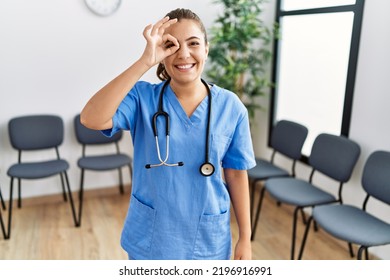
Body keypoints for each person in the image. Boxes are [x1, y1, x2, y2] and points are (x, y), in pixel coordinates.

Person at [80, 8, 256, 260]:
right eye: (171, 45)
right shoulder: (142, 98)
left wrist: (245, 239)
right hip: (153, 238)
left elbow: (237, 174)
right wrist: (144, 62)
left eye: (193, 43)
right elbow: (91, 118)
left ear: (206, 48)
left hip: (207, 239)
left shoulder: (231, 106)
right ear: (161, 53)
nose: (183, 54)